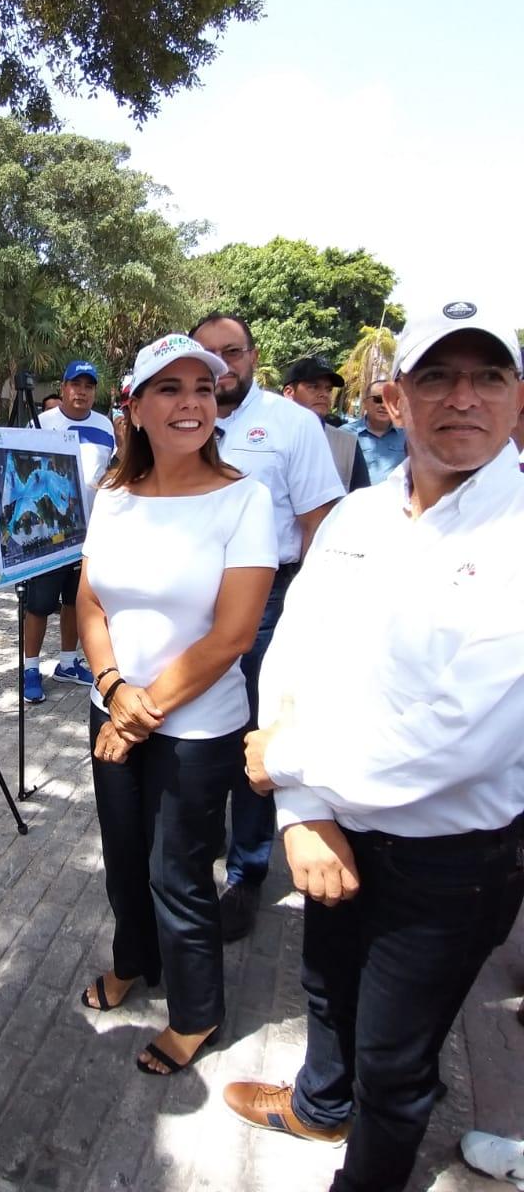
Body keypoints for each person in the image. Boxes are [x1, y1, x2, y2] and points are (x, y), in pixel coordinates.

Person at [224, 302, 524, 1192]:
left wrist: (289, 769)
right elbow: (294, 650)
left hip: (451, 860)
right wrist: (306, 814)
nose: (460, 398)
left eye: (487, 378)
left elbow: (461, 736)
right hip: (335, 826)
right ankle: (320, 1107)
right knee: (326, 989)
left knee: (397, 1065)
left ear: (519, 399)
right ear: (397, 396)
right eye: (437, 375)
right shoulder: (356, 516)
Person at [76, 334, 277, 1074]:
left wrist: (141, 711)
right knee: (122, 862)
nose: (190, 401)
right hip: (113, 708)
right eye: (169, 387)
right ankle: (134, 962)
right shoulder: (116, 495)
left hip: (195, 729)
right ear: (135, 407)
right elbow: (90, 601)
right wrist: (110, 693)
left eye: (203, 387)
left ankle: (196, 1015)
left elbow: (232, 635)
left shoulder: (244, 498)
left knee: (179, 875)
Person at [189, 314, 344, 940]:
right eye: (207, 357)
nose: (221, 366)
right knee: (197, 731)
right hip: (190, 600)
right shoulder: (181, 418)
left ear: (253, 357)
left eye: (232, 353)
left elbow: (319, 525)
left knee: (256, 740)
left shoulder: (293, 425)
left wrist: (311, 619)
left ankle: (248, 872)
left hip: (267, 604)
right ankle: (194, 855)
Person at [23, 359, 114, 703]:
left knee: (75, 603)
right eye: (76, 385)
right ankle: (31, 668)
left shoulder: (105, 427)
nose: (82, 392)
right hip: (47, 537)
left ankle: (67, 662)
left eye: (89, 386)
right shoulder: (40, 424)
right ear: (63, 388)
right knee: (38, 605)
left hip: (89, 538)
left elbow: (113, 473)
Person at [281, 356, 370, 492]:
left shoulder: (347, 444)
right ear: (289, 393)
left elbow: (361, 501)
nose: (324, 394)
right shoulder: (267, 437)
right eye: (313, 387)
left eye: (328, 389)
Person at [341, 378, 407, 483]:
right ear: (365, 403)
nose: (384, 405)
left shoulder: (408, 436)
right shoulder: (345, 434)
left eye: (390, 401)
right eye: (378, 399)